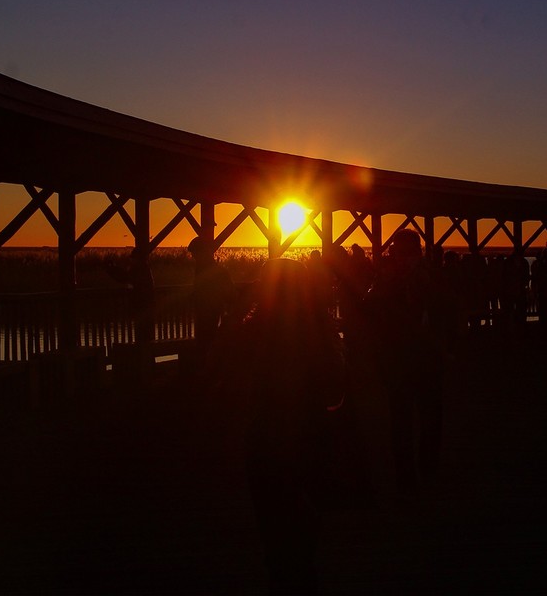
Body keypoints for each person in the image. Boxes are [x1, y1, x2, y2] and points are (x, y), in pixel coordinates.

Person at [239, 258, 345, 593]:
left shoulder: (251, 331)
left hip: (263, 437)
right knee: (307, 509)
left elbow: (231, 380)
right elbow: (334, 382)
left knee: (271, 513)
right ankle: (302, 567)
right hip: (309, 434)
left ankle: (279, 569)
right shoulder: (316, 329)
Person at [366, 229, 443, 492]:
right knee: (409, 419)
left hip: (417, 360)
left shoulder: (423, 278)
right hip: (407, 360)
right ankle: (412, 475)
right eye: (405, 252)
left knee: (417, 418)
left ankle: (420, 472)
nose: (408, 257)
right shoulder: (391, 280)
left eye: (411, 252)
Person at [187, 237, 235, 374]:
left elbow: (228, 294)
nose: (194, 257)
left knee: (207, 342)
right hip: (206, 313)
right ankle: (207, 371)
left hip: (210, 314)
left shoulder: (212, 271)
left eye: (195, 254)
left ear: (203, 253)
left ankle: (208, 372)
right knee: (205, 343)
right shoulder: (204, 269)